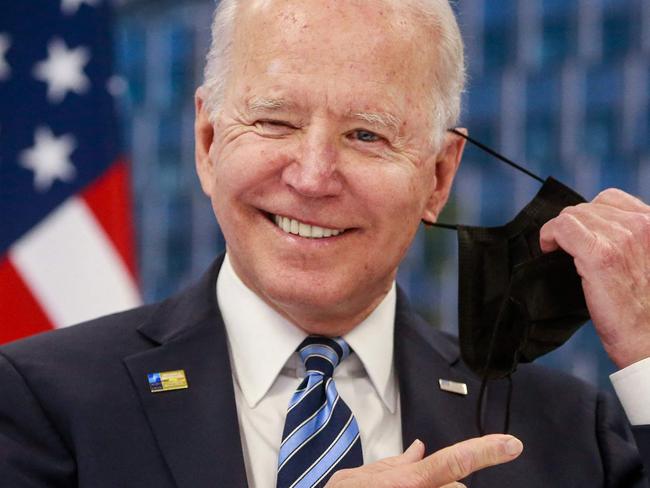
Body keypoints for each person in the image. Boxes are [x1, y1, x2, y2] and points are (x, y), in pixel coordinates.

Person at [1, 0, 649, 486]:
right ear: (207, 143)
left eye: (367, 135)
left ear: (439, 176)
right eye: (274, 122)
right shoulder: (39, 400)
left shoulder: (566, 432)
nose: (312, 177)